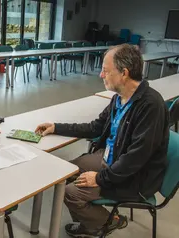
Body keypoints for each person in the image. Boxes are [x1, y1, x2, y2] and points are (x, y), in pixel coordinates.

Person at [35, 44, 169, 237]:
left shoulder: (150, 106)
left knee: (69, 192)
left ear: (124, 73)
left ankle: (107, 222)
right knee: (66, 170)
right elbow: (95, 127)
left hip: (136, 177)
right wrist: (56, 127)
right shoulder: (120, 98)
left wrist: (99, 178)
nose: (100, 75)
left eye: (106, 70)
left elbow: (135, 159)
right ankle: (92, 218)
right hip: (112, 160)